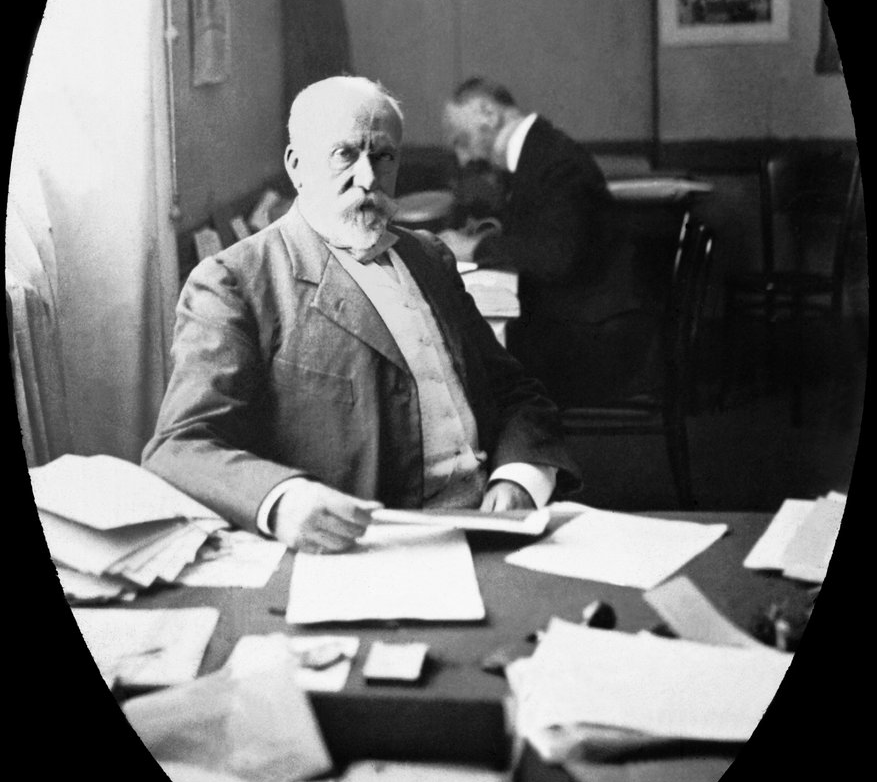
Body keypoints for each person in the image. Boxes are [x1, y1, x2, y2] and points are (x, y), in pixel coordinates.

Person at [142, 76, 580, 554]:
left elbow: (515, 392)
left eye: (383, 156)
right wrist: (283, 500)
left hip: (493, 534)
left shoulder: (429, 257)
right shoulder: (235, 281)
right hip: (364, 552)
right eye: (344, 154)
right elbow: (181, 445)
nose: (368, 178)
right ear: (296, 166)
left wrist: (520, 476)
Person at [441, 78, 652, 407]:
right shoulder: (541, 152)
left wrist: (475, 248)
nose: (463, 157)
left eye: (462, 140)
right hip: (580, 325)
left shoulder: (555, 160)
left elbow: (556, 257)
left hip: (595, 341)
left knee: (469, 364)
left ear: (488, 114)